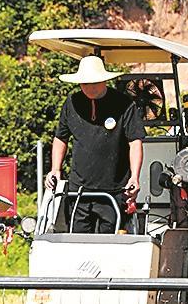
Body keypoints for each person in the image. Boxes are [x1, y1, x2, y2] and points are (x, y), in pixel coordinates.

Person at [44, 55, 146, 233]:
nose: (89, 87)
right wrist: (55, 169)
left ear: (104, 81)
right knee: (78, 242)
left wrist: (135, 177)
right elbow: (61, 137)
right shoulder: (72, 103)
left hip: (113, 190)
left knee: (110, 244)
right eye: (84, 83)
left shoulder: (124, 104)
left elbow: (135, 141)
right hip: (79, 191)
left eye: (94, 83)